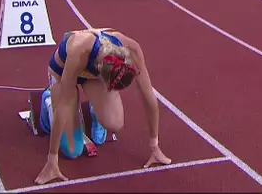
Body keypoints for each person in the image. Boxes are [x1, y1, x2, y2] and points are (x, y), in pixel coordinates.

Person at [35, 28, 171, 185]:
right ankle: (48, 101)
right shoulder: (78, 51)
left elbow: (149, 99)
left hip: (95, 73)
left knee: (115, 123)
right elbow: (63, 107)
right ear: (100, 70)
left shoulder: (131, 51)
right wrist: (52, 159)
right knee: (73, 151)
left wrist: (154, 145)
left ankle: (95, 112)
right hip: (61, 73)